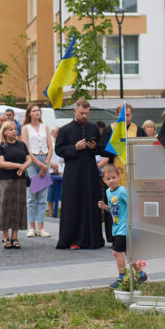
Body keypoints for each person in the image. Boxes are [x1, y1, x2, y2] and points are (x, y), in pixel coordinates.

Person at [55, 99, 106, 250]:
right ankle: (72, 239)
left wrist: (94, 146)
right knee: (73, 204)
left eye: (87, 113)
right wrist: (74, 148)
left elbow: (101, 149)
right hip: (73, 172)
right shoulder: (65, 130)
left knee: (91, 203)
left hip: (90, 171)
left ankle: (92, 240)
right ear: (75, 111)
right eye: (82, 113)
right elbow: (59, 150)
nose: (84, 116)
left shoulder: (93, 128)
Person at [98, 164, 147, 289]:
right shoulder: (108, 192)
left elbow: (134, 203)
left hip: (125, 228)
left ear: (119, 177)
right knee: (128, 253)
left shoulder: (122, 191)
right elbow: (114, 209)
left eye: (114, 177)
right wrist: (104, 207)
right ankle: (141, 274)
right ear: (104, 180)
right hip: (117, 227)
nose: (111, 181)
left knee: (116, 252)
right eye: (108, 179)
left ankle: (122, 278)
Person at [0, 120, 31, 249]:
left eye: (15, 129)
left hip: (19, 181)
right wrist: (18, 166)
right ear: (4, 132)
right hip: (5, 181)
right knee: (5, 209)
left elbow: (29, 158)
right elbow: (1, 163)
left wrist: (24, 167)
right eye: (11, 129)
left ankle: (15, 237)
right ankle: (5, 237)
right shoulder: (0, 146)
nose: (14, 131)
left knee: (17, 209)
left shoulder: (21, 144)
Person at [21, 104, 53, 238]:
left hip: (44, 158)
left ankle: (41, 227)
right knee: (31, 196)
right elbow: (26, 148)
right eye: (34, 111)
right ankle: (32, 227)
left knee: (42, 197)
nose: (37, 113)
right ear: (29, 114)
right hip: (32, 161)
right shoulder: (25, 128)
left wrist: (45, 164)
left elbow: (50, 147)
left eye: (38, 111)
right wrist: (39, 164)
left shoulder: (45, 127)